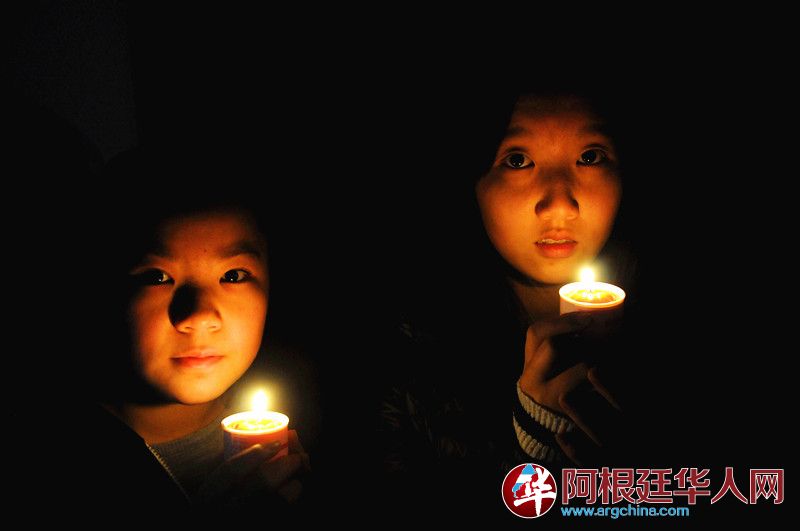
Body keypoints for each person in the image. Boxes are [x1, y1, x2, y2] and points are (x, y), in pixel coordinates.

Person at [374, 84, 667, 515]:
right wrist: (538, 443)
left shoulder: (673, 329)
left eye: (590, 157)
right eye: (517, 161)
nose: (559, 205)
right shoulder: (408, 353)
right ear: (471, 180)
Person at [58, 146, 311, 517]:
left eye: (233, 275)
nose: (199, 315)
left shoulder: (321, 423)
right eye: (157, 277)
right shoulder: (57, 459)